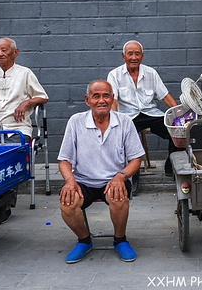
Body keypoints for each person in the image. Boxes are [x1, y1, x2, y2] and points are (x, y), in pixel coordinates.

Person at [58, 80, 145, 264]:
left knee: (118, 195)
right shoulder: (76, 121)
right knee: (67, 201)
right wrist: (69, 180)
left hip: (114, 179)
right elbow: (64, 159)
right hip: (83, 181)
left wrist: (121, 176)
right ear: (87, 100)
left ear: (112, 98)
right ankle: (84, 240)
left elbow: (136, 159)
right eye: (96, 96)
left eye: (106, 95)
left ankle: (120, 239)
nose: (101, 100)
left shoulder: (125, 122)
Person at [107, 40, 179, 176]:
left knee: (176, 131)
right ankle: (132, 176)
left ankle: (172, 168)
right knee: (125, 138)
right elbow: (113, 101)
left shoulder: (151, 73)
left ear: (142, 56)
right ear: (123, 56)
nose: (134, 57)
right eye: (130, 54)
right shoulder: (114, 75)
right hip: (129, 117)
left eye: (137, 54)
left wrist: (179, 115)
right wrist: (116, 120)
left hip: (151, 114)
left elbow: (165, 96)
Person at [0, 38, 48, 143]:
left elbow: (43, 97)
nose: (0, 54)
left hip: (18, 128)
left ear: (15, 53)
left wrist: (26, 102)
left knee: (13, 154)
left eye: (4, 50)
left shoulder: (25, 73)